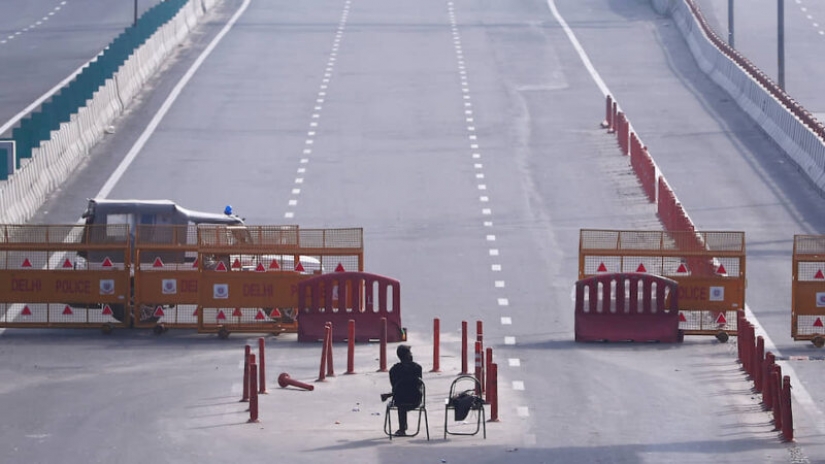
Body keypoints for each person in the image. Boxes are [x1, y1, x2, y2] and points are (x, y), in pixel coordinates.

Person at [388, 344, 423, 437]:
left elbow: (394, 386)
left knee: (401, 398)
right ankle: (402, 428)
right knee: (405, 396)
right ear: (408, 355)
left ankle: (402, 429)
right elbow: (419, 384)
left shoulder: (394, 370)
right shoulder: (417, 368)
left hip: (400, 401)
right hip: (416, 400)